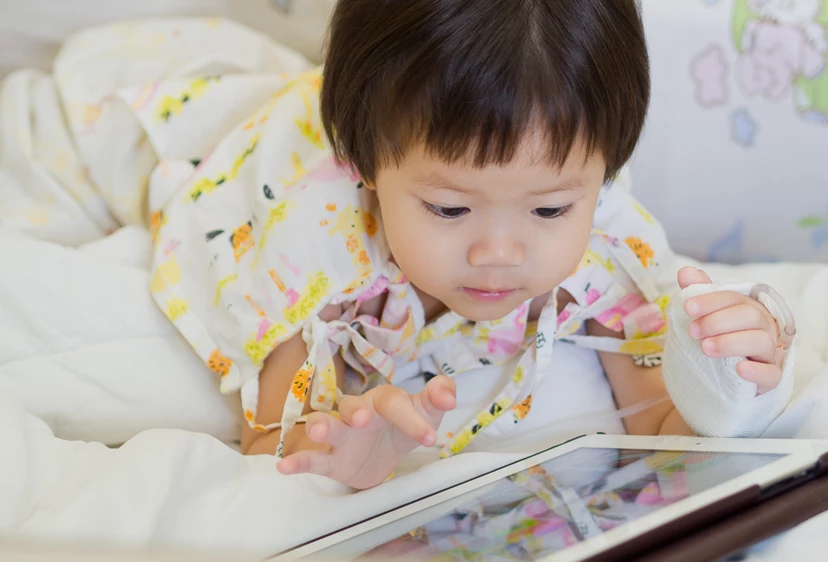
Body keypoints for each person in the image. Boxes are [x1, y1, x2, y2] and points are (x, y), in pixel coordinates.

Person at [150, 0, 790, 490]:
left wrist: (725, 379)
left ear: (607, 172)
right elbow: (269, 443)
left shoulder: (605, 235)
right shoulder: (309, 237)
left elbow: (659, 431)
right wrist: (342, 453)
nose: (499, 252)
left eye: (549, 208)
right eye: (449, 207)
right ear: (365, 165)